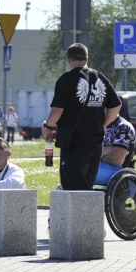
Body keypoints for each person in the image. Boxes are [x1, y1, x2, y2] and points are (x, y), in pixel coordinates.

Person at [41, 43, 121, 190]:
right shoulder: (100, 77)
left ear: (69, 60)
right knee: (87, 185)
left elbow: (57, 110)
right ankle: (89, 212)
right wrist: (103, 124)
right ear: (86, 59)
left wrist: (47, 126)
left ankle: (79, 213)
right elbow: (116, 106)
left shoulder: (67, 79)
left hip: (74, 142)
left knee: (73, 187)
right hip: (96, 142)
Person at [94, 115, 136, 186]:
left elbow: (116, 160)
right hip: (97, 165)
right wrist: (107, 150)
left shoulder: (124, 127)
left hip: (116, 171)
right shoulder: (95, 125)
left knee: (81, 171)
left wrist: (95, 154)